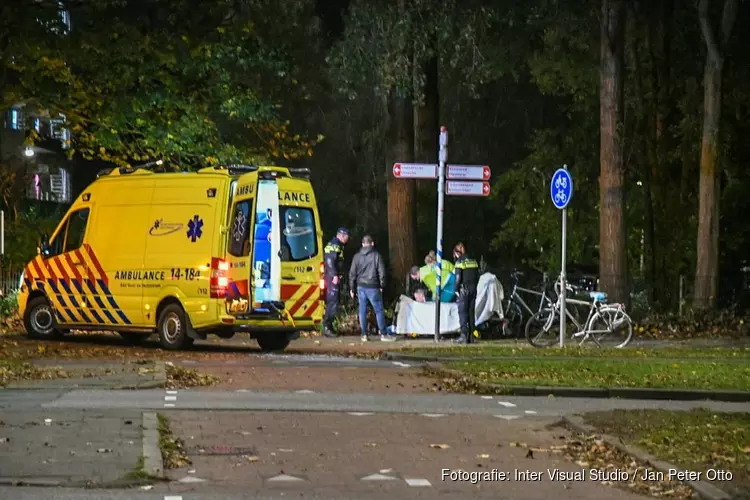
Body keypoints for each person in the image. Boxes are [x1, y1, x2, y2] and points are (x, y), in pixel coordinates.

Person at [348, 234, 392, 342]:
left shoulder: (356, 256)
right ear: (372, 243)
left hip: (361, 287)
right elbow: (382, 272)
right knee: (379, 310)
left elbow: (352, 273)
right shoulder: (377, 256)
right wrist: (382, 285)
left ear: (363, 244)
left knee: (362, 310)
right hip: (373, 286)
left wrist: (352, 288)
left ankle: (364, 335)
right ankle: (383, 334)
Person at [322, 227, 349, 337]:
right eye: (347, 237)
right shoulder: (335, 245)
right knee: (333, 302)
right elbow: (329, 260)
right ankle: (327, 327)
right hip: (331, 277)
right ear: (342, 235)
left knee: (334, 302)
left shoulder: (337, 245)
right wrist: (334, 275)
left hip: (333, 276)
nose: (348, 240)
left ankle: (329, 327)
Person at [453, 242, 479, 344]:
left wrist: (456, 289)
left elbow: (458, 277)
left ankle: (463, 336)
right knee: (471, 312)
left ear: (457, 253)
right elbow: (478, 275)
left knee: (463, 313)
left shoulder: (460, 262)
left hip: (463, 290)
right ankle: (472, 336)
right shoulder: (474, 261)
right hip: (473, 288)